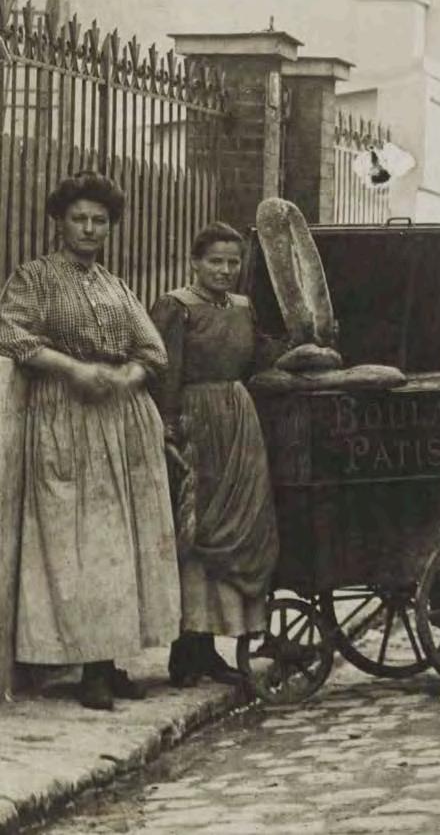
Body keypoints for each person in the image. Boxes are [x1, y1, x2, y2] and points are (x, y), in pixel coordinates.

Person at [0, 171, 180, 710]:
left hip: (122, 424)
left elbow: (152, 350)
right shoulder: (34, 278)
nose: (88, 228)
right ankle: (87, 666)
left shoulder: (115, 286)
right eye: (78, 218)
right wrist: (73, 369)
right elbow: (11, 333)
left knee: (122, 542)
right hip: (65, 419)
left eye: (99, 221)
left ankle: (112, 660)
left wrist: (126, 377)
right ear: (59, 222)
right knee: (77, 542)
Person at [149, 223, 279, 688]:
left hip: (240, 423)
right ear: (195, 262)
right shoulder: (177, 307)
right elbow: (164, 371)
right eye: (215, 261)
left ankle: (213, 649)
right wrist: (169, 427)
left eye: (232, 262)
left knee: (242, 526)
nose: (224, 270)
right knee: (198, 528)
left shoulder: (243, 307)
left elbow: (261, 358)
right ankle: (186, 651)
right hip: (196, 423)